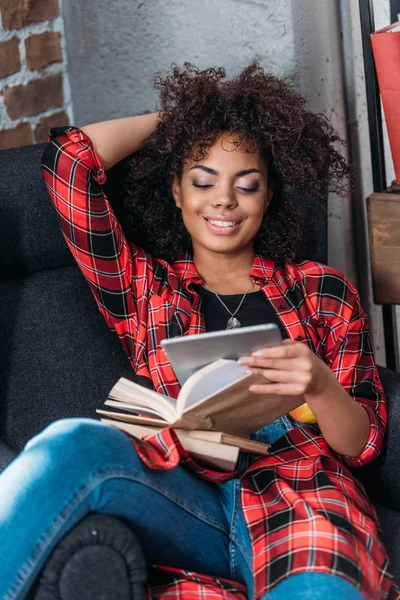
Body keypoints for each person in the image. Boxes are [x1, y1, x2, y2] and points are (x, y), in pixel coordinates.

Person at [0, 61, 398, 600]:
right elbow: (69, 162)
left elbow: (364, 445)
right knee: (73, 444)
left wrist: (319, 384)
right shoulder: (146, 289)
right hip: (188, 500)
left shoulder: (321, 292)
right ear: (177, 190)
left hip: (301, 497)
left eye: (246, 185)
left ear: (268, 197)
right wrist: (183, 121)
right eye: (202, 179)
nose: (223, 200)